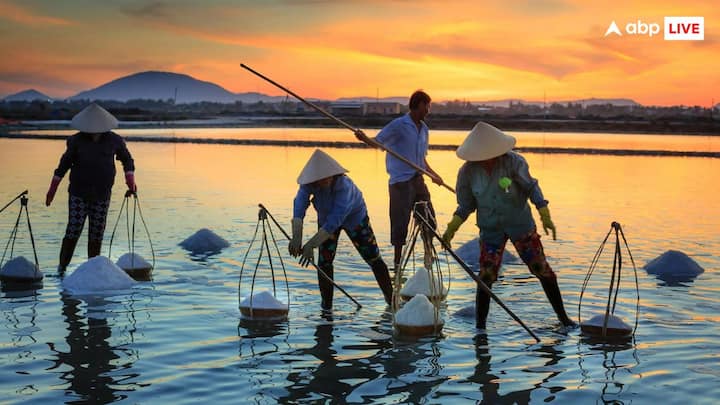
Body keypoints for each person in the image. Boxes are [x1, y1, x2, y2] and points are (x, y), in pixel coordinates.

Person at [441, 121, 574, 329]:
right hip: (491, 229)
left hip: (519, 224)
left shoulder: (514, 163)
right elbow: (466, 205)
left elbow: (531, 187)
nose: (486, 161)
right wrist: (452, 228)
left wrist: (543, 212)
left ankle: (564, 319)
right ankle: (481, 327)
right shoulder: (467, 172)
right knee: (486, 276)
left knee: (541, 269)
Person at [289, 149, 393, 310]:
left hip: (354, 219)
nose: (324, 181)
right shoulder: (308, 184)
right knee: (324, 262)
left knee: (373, 258)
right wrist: (297, 235)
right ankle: (326, 306)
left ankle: (391, 300)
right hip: (325, 218)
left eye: (327, 177)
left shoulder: (344, 187)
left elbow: (335, 221)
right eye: (320, 179)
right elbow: (299, 205)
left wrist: (311, 245)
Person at [355, 90, 444, 270]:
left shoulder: (424, 130)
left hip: (418, 180)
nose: (428, 110)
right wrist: (364, 139)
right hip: (400, 182)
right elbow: (379, 142)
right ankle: (397, 264)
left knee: (428, 219)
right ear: (418, 104)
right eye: (426, 106)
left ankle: (428, 254)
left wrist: (434, 175)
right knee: (400, 222)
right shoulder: (399, 125)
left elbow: (422, 159)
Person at [45, 103, 136, 272]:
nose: (94, 132)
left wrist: (130, 181)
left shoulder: (114, 140)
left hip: (102, 193)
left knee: (97, 232)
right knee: (74, 229)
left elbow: (127, 160)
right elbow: (63, 165)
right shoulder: (76, 140)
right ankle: (62, 268)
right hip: (79, 193)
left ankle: (92, 270)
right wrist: (52, 190)